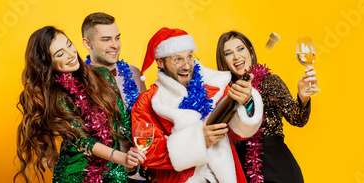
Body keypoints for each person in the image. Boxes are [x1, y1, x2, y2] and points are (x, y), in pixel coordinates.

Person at [131, 27, 264, 183]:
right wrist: (199, 141)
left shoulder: (215, 84)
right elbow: (148, 152)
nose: (187, 66)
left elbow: (239, 132)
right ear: (160, 62)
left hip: (223, 176)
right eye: (177, 60)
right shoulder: (148, 100)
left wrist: (246, 101)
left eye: (189, 57)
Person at [14, 26, 146, 183]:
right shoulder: (52, 96)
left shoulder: (102, 75)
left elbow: (122, 120)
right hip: (76, 174)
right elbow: (82, 140)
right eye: (60, 53)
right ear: (47, 63)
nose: (71, 54)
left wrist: (144, 141)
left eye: (69, 44)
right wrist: (121, 158)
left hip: (114, 173)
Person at [216, 31, 316, 183]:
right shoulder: (225, 95)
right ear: (224, 61)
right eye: (228, 53)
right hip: (244, 170)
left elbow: (298, 119)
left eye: (240, 49)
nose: (236, 56)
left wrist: (303, 97)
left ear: (250, 50)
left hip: (277, 167)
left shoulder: (270, 82)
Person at [81, 12, 146, 111]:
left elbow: (146, 118)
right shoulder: (79, 79)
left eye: (117, 38)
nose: (115, 45)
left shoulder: (134, 73)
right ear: (88, 44)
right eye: (106, 40)